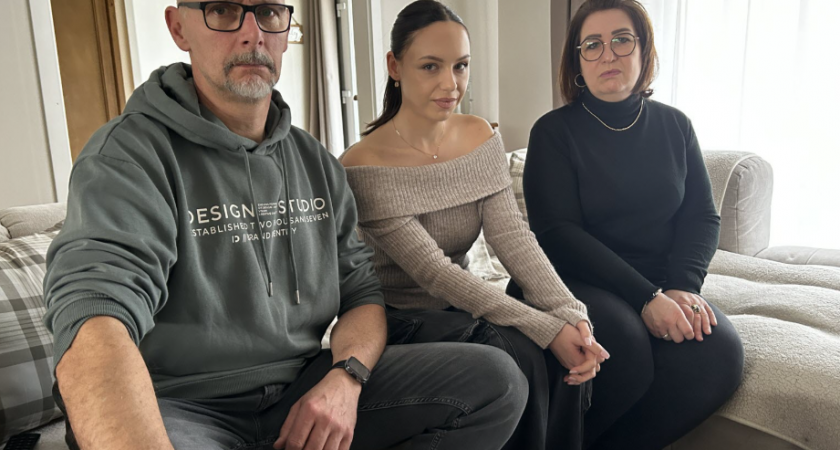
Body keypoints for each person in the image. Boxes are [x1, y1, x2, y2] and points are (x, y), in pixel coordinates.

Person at [42, 2, 529, 449]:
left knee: (496, 381)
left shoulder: (314, 161)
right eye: (223, 10)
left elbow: (361, 294)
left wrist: (346, 377)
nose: (252, 33)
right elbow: (95, 314)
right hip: (181, 406)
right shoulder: (128, 156)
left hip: (301, 385)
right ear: (179, 28)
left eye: (270, 12)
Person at [340, 2, 608, 449]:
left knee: (565, 351)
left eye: (461, 66)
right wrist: (545, 329)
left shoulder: (480, 136)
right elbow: (434, 273)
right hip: (398, 320)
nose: (451, 84)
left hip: (460, 309)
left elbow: (513, 237)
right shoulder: (363, 164)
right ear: (395, 66)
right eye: (431, 66)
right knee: (527, 350)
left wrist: (569, 312)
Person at [506, 0, 745, 448]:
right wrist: (646, 298)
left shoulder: (676, 126)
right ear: (577, 61)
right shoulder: (553, 132)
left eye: (621, 40)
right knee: (627, 344)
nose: (608, 55)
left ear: (644, 50)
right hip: (570, 280)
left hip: (657, 280)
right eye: (592, 45)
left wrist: (683, 286)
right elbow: (557, 234)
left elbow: (701, 215)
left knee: (719, 351)